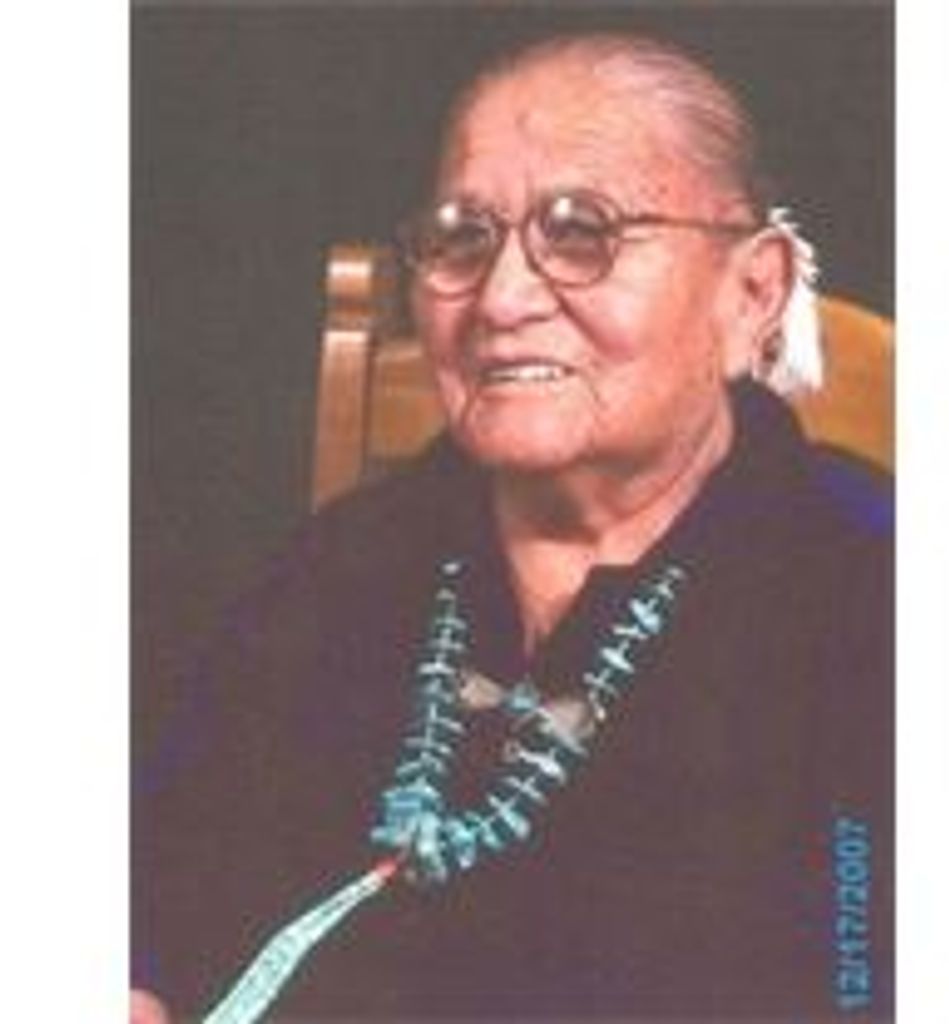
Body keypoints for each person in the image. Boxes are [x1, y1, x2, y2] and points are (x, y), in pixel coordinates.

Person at [133, 32, 892, 1023]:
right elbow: (154, 869)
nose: (501, 298)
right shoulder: (345, 561)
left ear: (752, 292)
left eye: (583, 233)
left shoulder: (871, 591)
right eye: (461, 239)